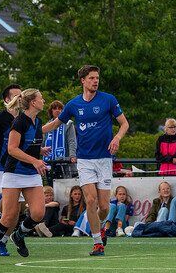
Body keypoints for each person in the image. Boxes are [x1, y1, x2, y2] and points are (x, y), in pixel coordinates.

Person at [41, 65, 130, 256]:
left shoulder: (108, 99)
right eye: (91, 78)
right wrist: (33, 131)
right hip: (84, 160)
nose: (95, 81)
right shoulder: (73, 104)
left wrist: (117, 138)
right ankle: (97, 242)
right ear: (83, 80)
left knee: (104, 207)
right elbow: (56, 123)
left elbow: (124, 123)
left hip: (105, 159)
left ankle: (100, 228)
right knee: (90, 200)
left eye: (97, 78)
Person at [0, 89, 48, 265]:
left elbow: (27, 145)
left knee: (38, 213)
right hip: (14, 173)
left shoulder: (37, 121)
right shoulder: (19, 122)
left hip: (31, 174)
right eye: (41, 98)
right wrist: (35, 160)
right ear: (33, 102)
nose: (44, 100)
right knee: (9, 216)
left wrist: (39, 152)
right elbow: (12, 149)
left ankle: (19, 235)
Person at [42, 100, 77, 179]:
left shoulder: (68, 123)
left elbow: (72, 141)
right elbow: (43, 142)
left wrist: (72, 156)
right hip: (50, 162)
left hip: (65, 161)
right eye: (55, 108)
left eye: (60, 108)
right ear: (51, 111)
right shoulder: (47, 125)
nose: (57, 110)